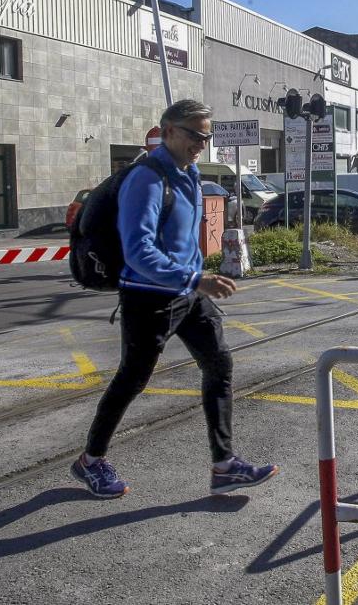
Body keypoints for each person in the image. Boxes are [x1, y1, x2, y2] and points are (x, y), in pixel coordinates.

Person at [72, 99, 278, 498]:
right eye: (194, 134)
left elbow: (184, 240)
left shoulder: (191, 173)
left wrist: (196, 278)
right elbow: (138, 251)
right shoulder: (147, 180)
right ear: (167, 132)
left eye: (207, 135)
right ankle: (90, 461)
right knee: (132, 380)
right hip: (149, 297)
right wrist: (195, 278)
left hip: (188, 293)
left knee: (219, 365)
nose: (201, 142)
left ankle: (224, 465)